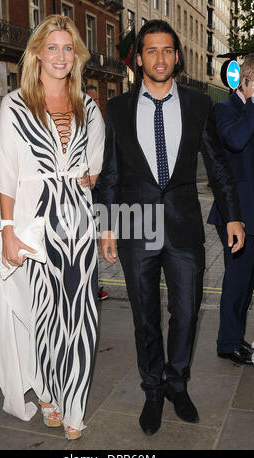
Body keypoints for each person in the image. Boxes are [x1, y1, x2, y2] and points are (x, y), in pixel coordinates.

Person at [99, 20, 244, 436]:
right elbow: (110, 174)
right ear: (139, 57)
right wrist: (107, 227)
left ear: (176, 56)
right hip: (135, 222)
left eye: (167, 50)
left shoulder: (199, 105)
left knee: (185, 312)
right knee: (145, 317)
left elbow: (217, 165)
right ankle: (152, 388)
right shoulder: (119, 109)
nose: (160, 58)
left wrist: (233, 215)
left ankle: (178, 384)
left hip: (183, 225)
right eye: (151, 50)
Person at [0, 14, 104, 440]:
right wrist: (6, 231)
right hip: (36, 227)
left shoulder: (88, 107)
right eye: (51, 47)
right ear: (36, 54)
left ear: (77, 56)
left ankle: (74, 409)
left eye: (68, 47)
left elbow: (94, 168)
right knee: (47, 318)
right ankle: (50, 394)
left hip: (78, 225)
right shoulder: (15, 105)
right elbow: (4, 171)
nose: (60, 55)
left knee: (82, 317)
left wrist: (79, 178)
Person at [208, 54, 254, 365]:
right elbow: (236, 141)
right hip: (236, 213)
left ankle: (236, 337)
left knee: (247, 283)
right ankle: (228, 343)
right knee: (238, 282)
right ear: (246, 80)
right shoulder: (225, 109)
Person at [86, 85, 109, 301]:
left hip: (98, 193)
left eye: (98, 100)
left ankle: (93, 286)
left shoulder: (98, 122)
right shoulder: (83, 123)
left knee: (92, 245)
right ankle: (90, 288)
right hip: (87, 194)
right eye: (93, 100)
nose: (97, 104)